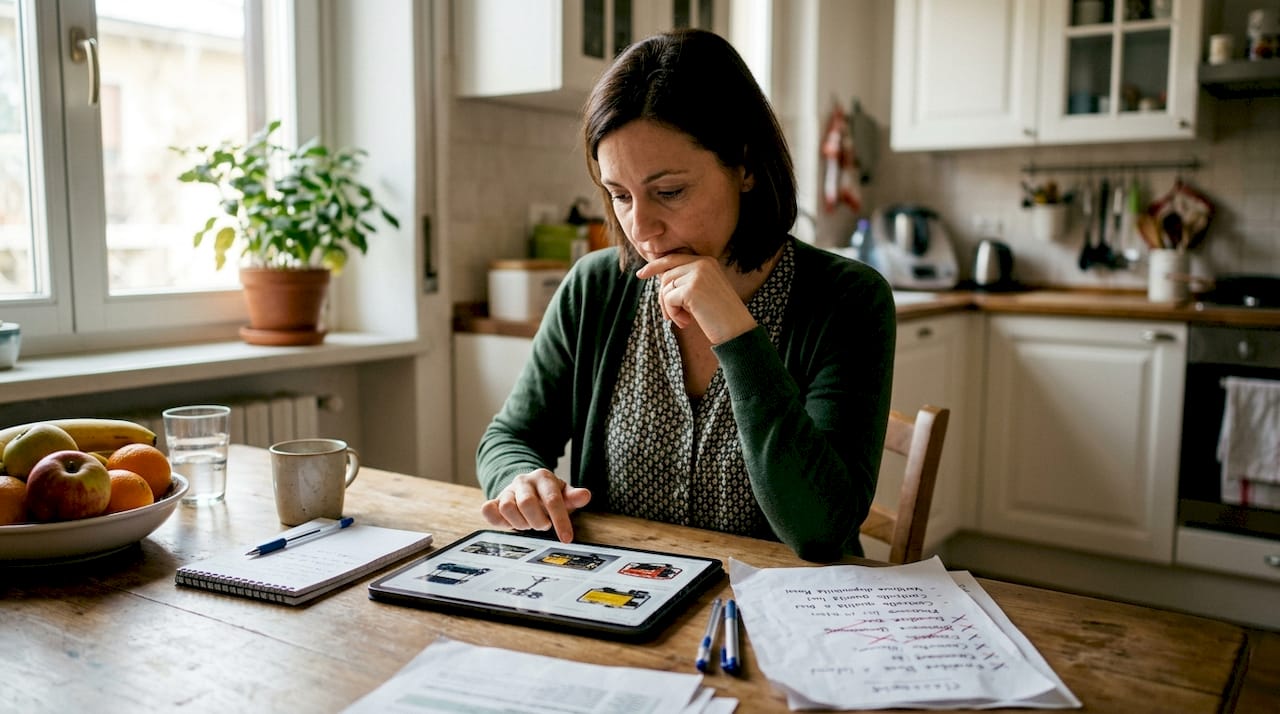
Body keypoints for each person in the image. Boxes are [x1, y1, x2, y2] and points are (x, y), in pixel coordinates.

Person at [477, 28, 895, 562]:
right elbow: (509, 436)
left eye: (669, 192)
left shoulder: (848, 300)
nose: (640, 228)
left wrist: (736, 333)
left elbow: (819, 529)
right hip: (624, 598)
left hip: (785, 614)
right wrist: (520, 478)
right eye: (619, 195)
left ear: (744, 166)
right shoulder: (595, 287)